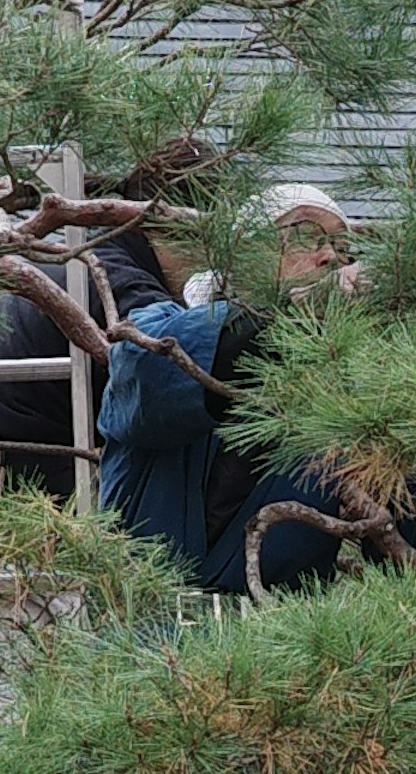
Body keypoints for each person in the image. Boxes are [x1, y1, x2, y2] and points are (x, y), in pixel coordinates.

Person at [98, 181, 368, 593]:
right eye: (305, 236)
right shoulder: (156, 328)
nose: (330, 255)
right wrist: (298, 312)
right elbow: (151, 379)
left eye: (341, 246)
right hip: (142, 627)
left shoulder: (349, 399)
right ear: (243, 251)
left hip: (279, 643)